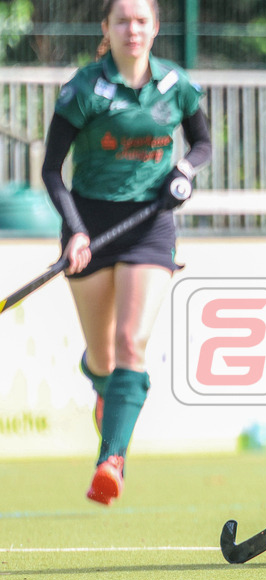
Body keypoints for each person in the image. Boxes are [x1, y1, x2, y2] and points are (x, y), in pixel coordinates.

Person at [41, 0, 210, 504]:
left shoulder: (175, 84)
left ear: (155, 28)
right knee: (103, 355)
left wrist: (183, 173)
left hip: (150, 226)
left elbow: (202, 143)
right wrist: (74, 231)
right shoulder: (84, 88)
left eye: (141, 21)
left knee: (131, 342)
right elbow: (52, 170)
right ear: (107, 29)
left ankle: (111, 460)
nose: (132, 30)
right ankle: (103, 388)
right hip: (88, 226)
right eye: (122, 21)